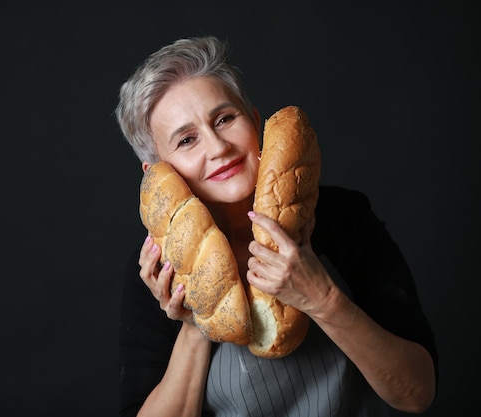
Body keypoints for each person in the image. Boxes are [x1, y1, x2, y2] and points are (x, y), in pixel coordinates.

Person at [114, 36, 438, 417]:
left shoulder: (340, 216)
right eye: (187, 140)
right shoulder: (160, 275)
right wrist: (197, 323)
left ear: (254, 122)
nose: (218, 147)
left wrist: (322, 298)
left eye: (224, 119)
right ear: (158, 176)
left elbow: (417, 393)